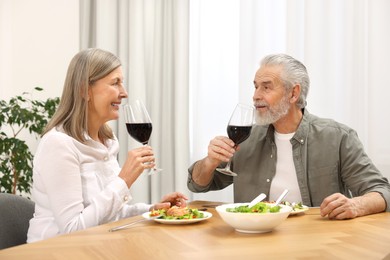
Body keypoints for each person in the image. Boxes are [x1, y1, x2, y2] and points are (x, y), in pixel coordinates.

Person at [188, 53, 390, 220]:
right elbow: (198, 184)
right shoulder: (246, 137)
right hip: (255, 239)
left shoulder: (337, 137)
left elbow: (382, 191)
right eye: (255, 86)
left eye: (266, 87)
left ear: (294, 94)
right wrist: (209, 162)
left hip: (320, 241)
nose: (255, 95)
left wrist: (355, 205)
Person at [27, 48, 187, 243]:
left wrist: (152, 210)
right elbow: (73, 229)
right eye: (115, 83)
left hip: (96, 246)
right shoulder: (58, 144)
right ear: (84, 90)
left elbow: (109, 214)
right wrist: (124, 179)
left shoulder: (108, 141)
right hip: (55, 251)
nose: (124, 93)